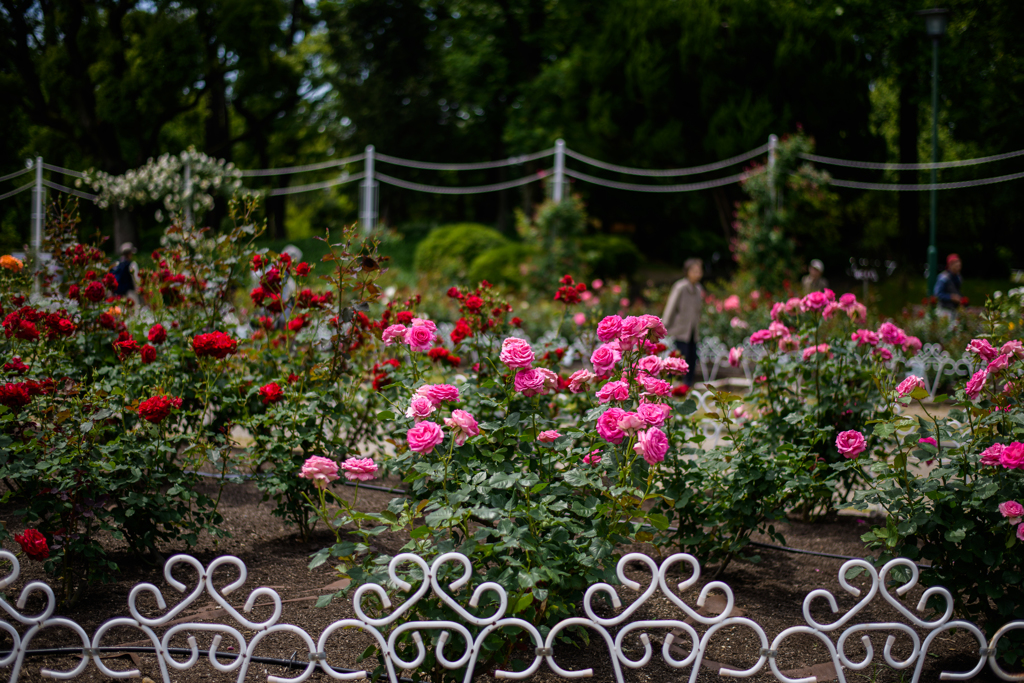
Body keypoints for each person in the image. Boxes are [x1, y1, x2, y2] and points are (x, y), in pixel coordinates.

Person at [662, 258, 703, 387]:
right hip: (680, 331)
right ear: (688, 272)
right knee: (678, 360)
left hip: (692, 332)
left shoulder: (698, 289)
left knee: (692, 359)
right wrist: (664, 327)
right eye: (695, 271)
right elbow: (671, 308)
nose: (698, 273)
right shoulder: (680, 287)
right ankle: (671, 385)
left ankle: (687, 385)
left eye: (699, 271)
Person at [112, 242, 140, 307]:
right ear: (130, 253)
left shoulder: (116, 264)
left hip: (118, 295)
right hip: (129, 293)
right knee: (134, 312)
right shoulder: (132, 264)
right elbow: (136, 280)